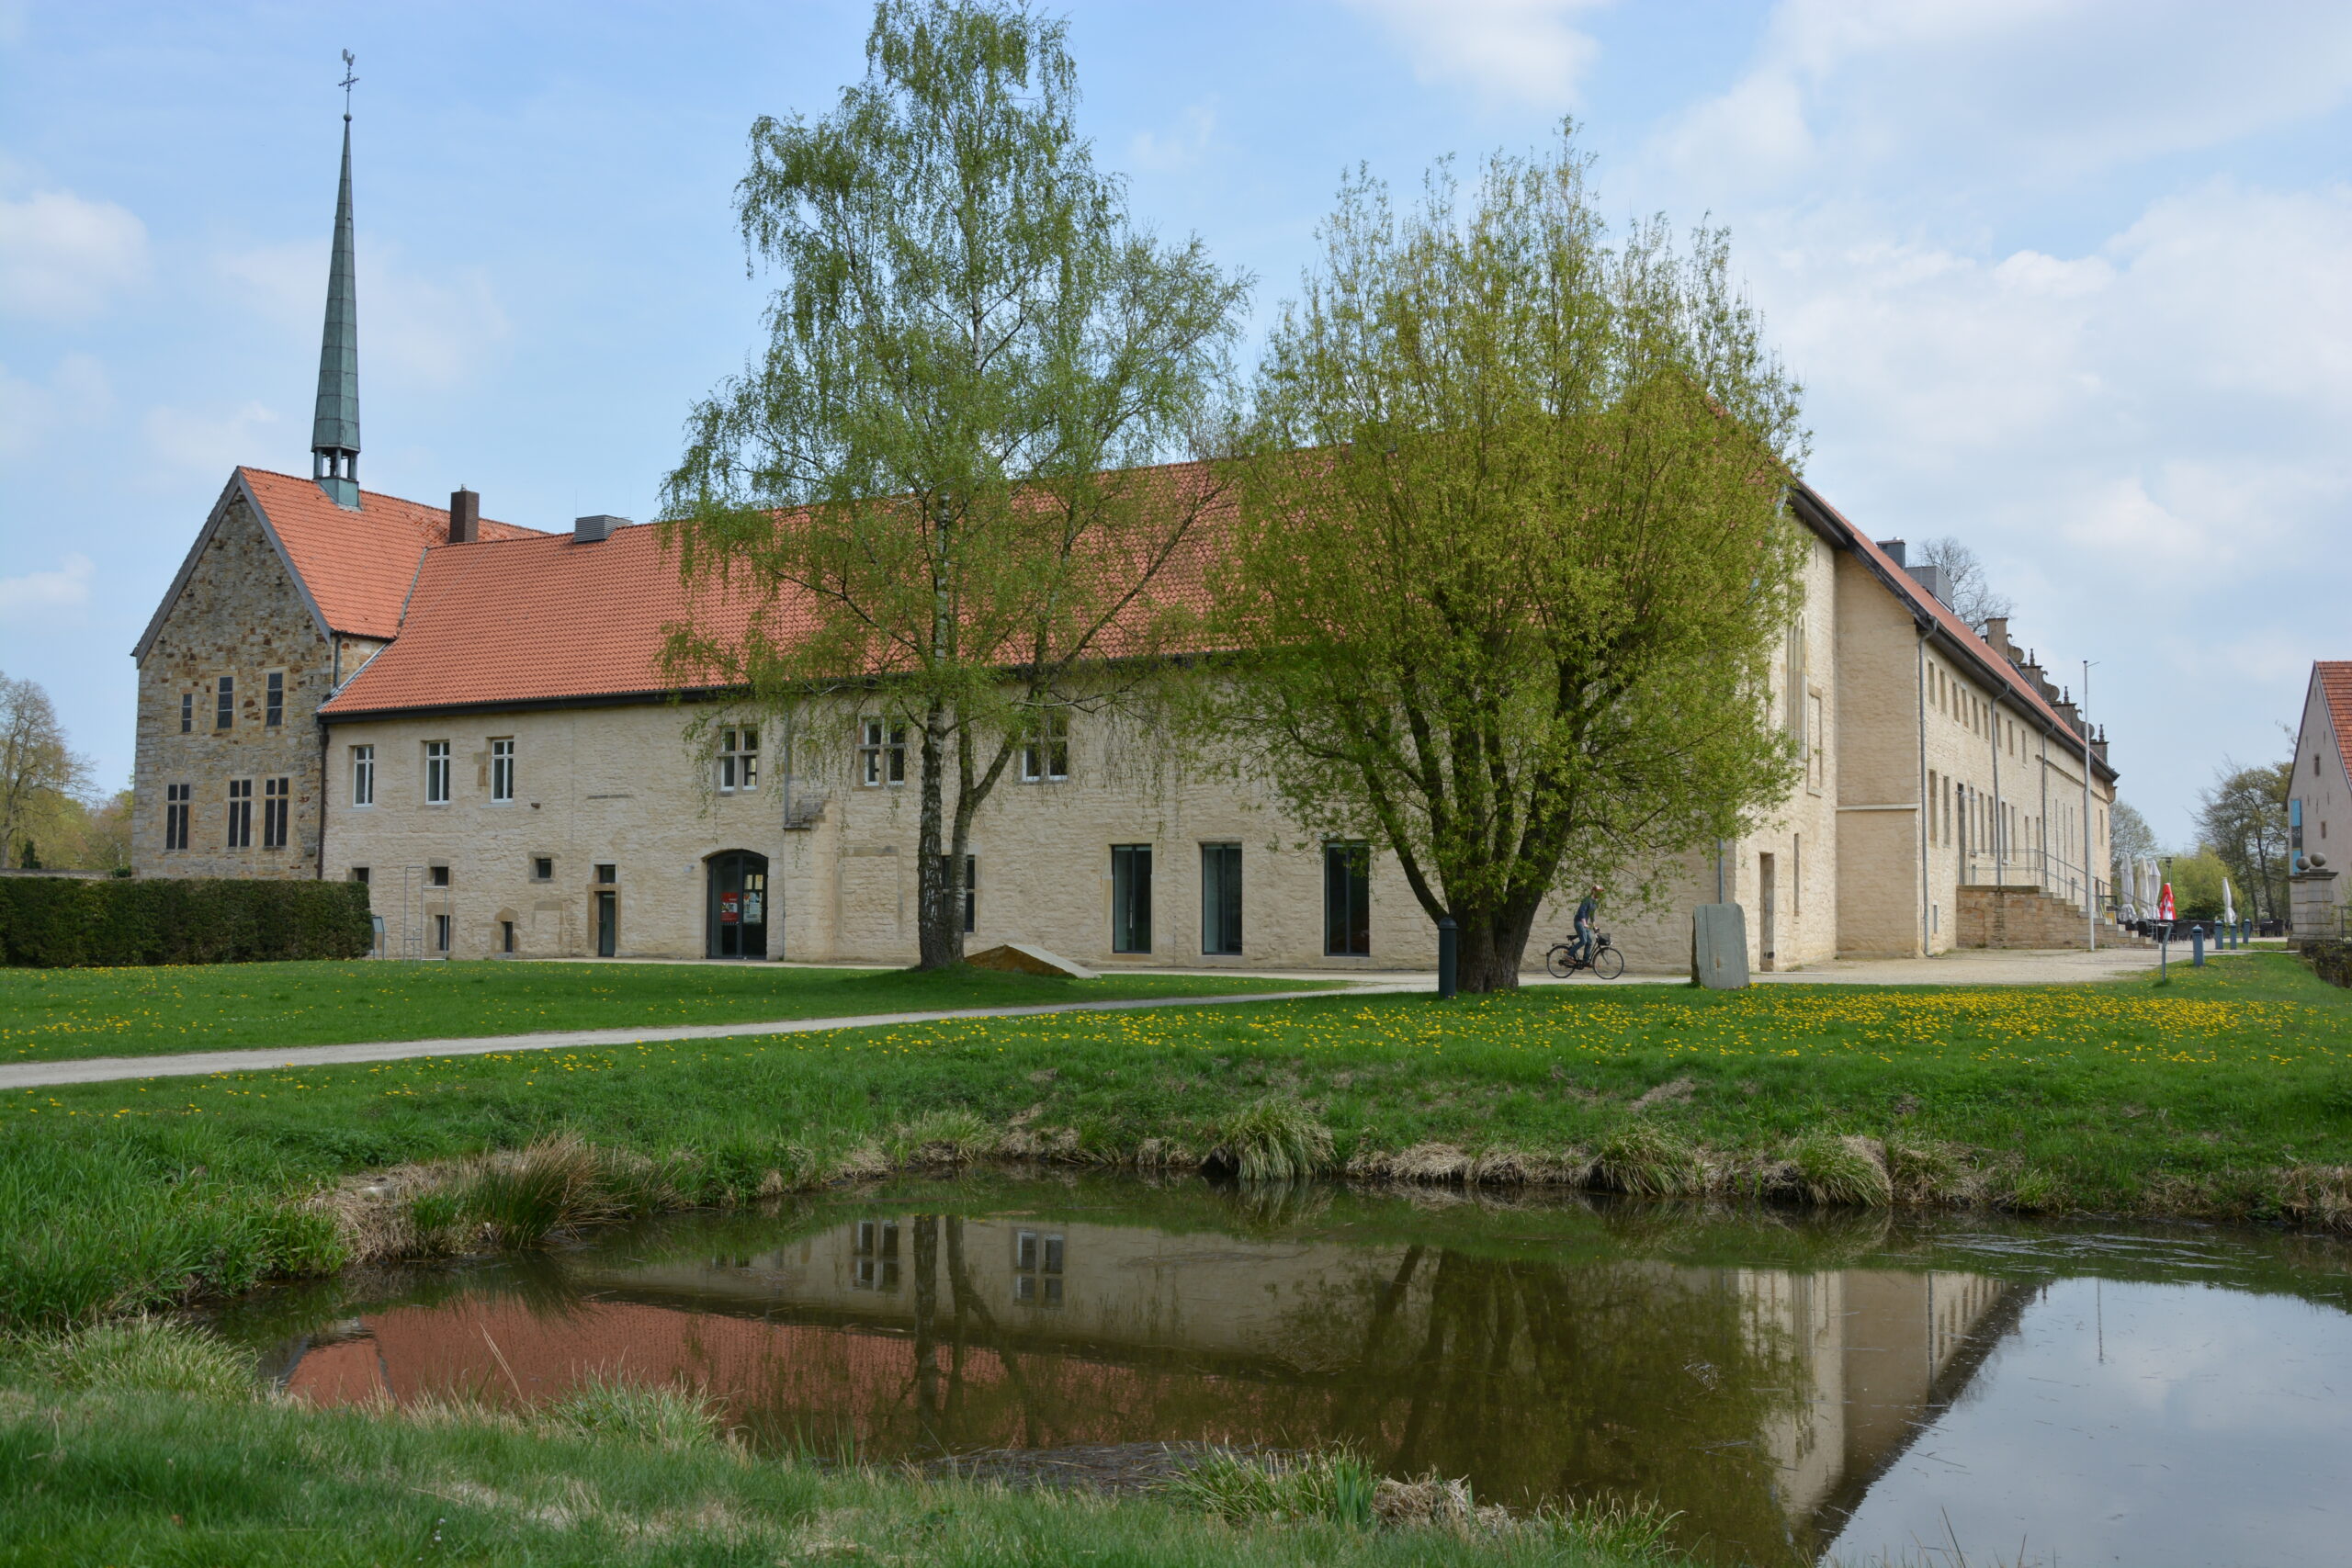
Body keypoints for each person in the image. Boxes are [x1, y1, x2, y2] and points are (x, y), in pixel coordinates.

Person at [1572, 885, 1601, 964]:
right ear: (1594, 891)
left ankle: (1586, 961)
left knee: (1589, 941)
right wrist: (1584, 923)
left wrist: (1594, 926)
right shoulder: (1587, 900)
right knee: (1583, 941)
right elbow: (1581, 912)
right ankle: (1568, 955)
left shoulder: (1594, 903)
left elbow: (1592, 916)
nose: (1600, 894)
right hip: (1579, 922)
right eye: (1598, 892)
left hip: (1584, 924)